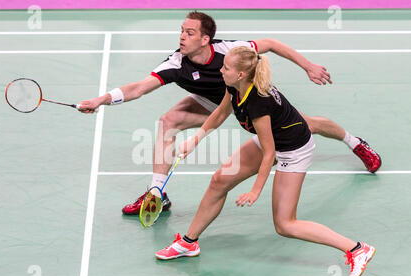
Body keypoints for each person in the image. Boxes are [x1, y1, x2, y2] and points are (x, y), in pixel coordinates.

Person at [78, 11, 381, 216]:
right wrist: (101, 99)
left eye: (189, 32)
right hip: (214, 103)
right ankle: (158, 193)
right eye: (181, 31)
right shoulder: (176, 63)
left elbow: (271, 44)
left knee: (309, 125)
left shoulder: (230, 52)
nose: (182, 36)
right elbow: (138, 88)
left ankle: (355, 142)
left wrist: (308, 66)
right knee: (167, 122)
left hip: (250, 97)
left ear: (205, 40)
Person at [155, 46, 376, 276]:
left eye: (226, 67)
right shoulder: (234, 86)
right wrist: (195, 139)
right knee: (220, 180)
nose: (221, 69)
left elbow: (270, 153)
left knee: (285, 224)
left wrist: (256, 190)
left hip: (293, 149)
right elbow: (220, 113)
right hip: (273, 139)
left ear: (240, 74)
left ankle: (356, 249)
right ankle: (189, 242)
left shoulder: (257, 102)